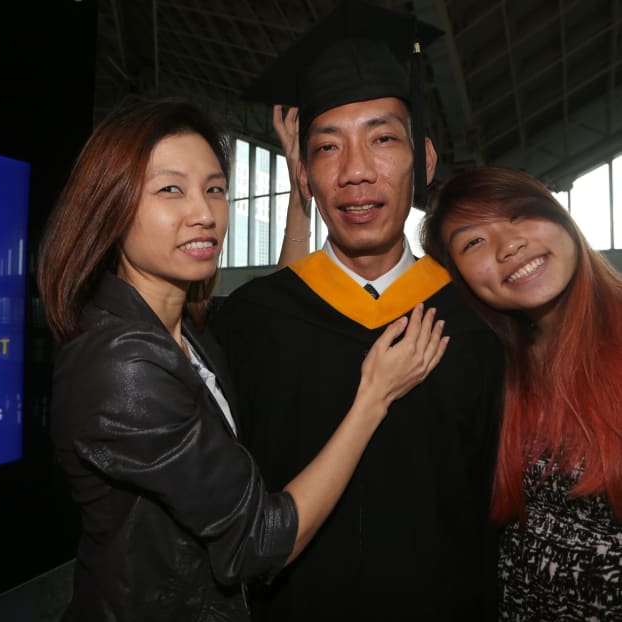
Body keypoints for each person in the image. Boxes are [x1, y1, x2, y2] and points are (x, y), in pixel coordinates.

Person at [36, 97, 449, 621]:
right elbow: (259, 541)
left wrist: (302, 201)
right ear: (110, 207)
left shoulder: (182, 327)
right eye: (170, 190)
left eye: (215, 189)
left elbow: (275, 310)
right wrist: (374, 396)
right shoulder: (124, 369)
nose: (204, 214)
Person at [208, 1, 506, 620]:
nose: (357, 172)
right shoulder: (251, 324)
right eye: (327, 148)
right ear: (307, 176)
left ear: (423, 161)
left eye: (382, 139)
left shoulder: (479, 324)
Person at [421, 165, 622, 621]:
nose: (508, 245)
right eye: (473, 241)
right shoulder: (491, 376)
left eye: (517, 214)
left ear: (561, 218)